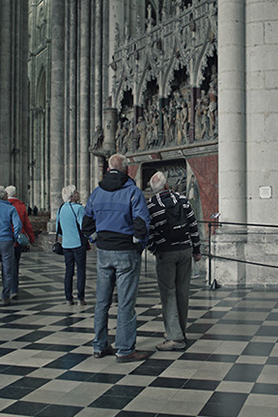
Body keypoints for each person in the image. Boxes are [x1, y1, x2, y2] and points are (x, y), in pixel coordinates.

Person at [82, 153, 152, 362]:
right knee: (125, 302)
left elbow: (86, 224)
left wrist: (96, 239)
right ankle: (124, 349)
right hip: (125, 251)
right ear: (126, 170)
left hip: (104, 252)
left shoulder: (96, 193)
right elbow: (141, 224)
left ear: (108, 169)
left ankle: (99, 345)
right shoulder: (133, 192)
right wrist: (137, 245)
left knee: (102, 301)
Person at [146, 171, 201, 351]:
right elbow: (193, 225)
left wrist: (154, 249)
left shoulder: (152, 205)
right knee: (182, 292)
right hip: (185, 250)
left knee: (168, 294)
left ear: (153, 189)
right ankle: (178, 331)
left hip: (166, 252)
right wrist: (197, 250)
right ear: (167, 185)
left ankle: (175, 337)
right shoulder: (183, 200)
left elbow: (149, 232)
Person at [57, 184, 87, 305]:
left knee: (68, 271)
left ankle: (68, 298)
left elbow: (58, 227)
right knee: (80, 271)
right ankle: (80, 298)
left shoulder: (61, 208)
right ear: (72, 196)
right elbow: (83, 226)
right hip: (78, 243)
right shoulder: (78, 208)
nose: (78, 193)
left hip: (66, 244)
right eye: (76, 192)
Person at [5, 185, 35, 301]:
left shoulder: (3, 206)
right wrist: (31, 239)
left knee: (6, 266)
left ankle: (6, 289)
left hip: (5, 240)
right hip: (17, 240)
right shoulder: (21, 206)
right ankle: (14, 289)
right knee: (15, 266)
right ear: (15, 194)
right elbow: (27, 224)